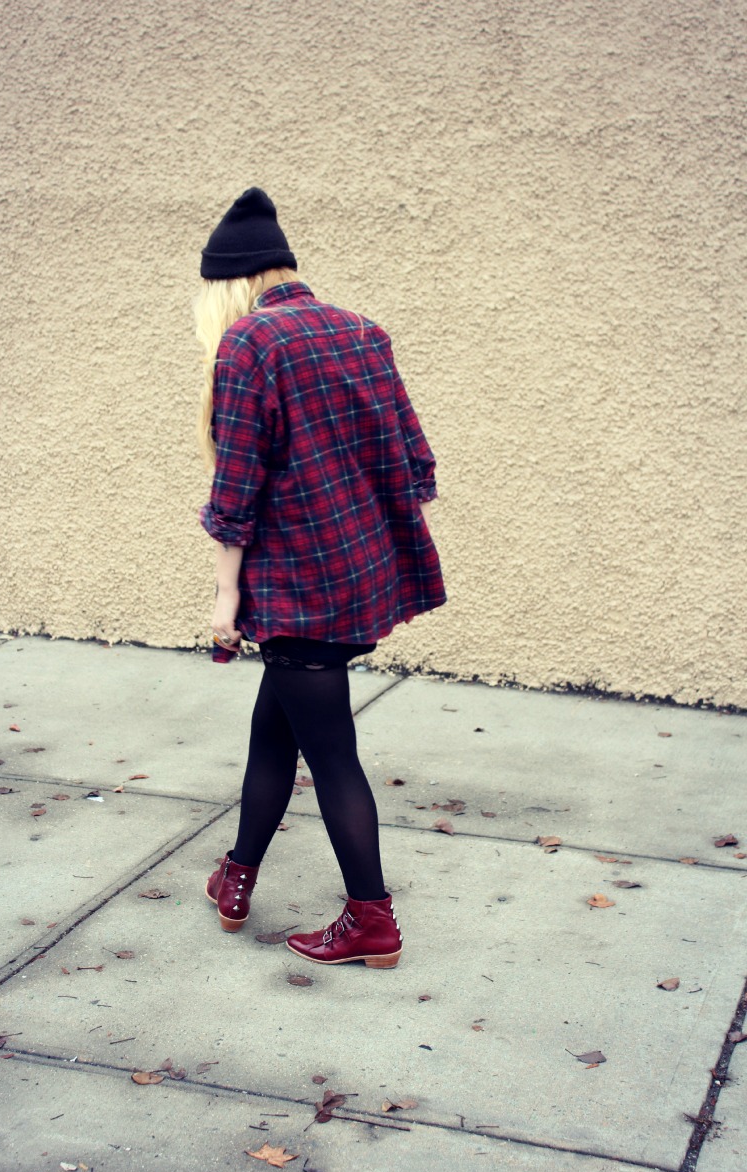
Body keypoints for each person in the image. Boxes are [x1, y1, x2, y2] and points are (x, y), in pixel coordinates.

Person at [195, 187, 446, 969]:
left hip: (296, 588)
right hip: (359, 575)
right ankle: (236, 876)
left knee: (331, 752)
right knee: (275, 728)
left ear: (230, 284)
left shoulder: (249, 344)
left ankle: (372, 920)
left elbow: (237, 488)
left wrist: (226, 596)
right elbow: (415, 461)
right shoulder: (361, 330)